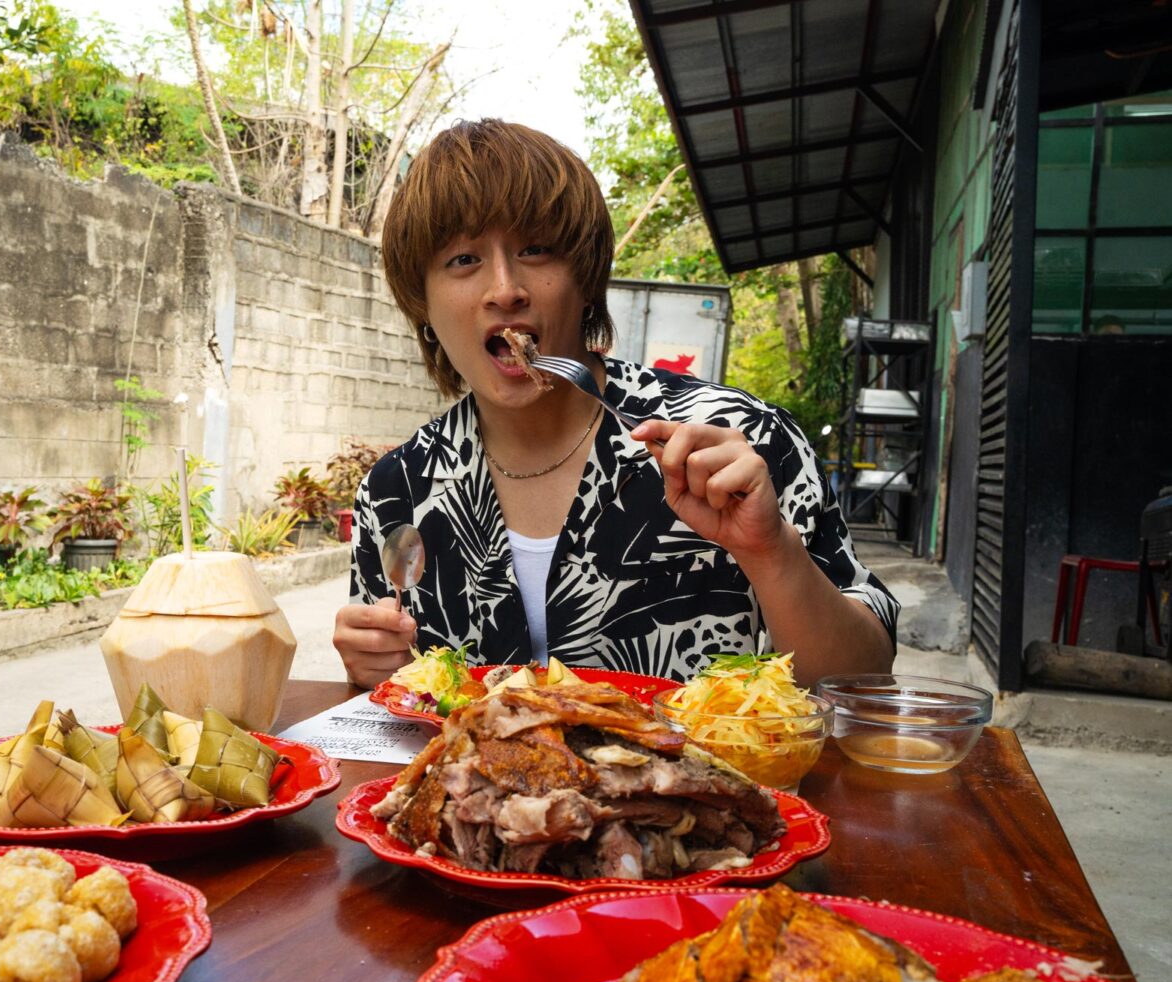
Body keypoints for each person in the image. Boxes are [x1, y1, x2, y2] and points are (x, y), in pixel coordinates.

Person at [332, 119, 897, 689]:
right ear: (422, 302)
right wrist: (376, 667)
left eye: (536, 249)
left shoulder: (740, 441)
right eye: (462, 260)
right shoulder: (397, 488)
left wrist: (772, 554)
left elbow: (864, 678)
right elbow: (397, 701)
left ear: (586, 280)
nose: (505, 289)